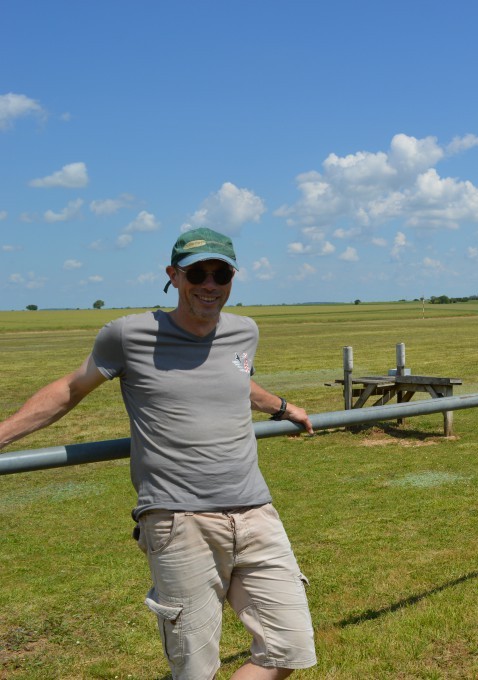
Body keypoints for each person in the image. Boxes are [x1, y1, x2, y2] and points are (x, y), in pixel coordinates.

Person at [0, 227, 317, 679]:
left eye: (220, 273)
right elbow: (71, 389)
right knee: (194, 670)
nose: (209, 284)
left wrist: (283, 407)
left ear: (232, 278)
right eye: (197, 273)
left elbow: (235, 380)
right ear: (174, 275)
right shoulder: (127, 335)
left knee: (289, 648)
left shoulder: (245, 332)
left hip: (255, 512)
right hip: (178, 520)